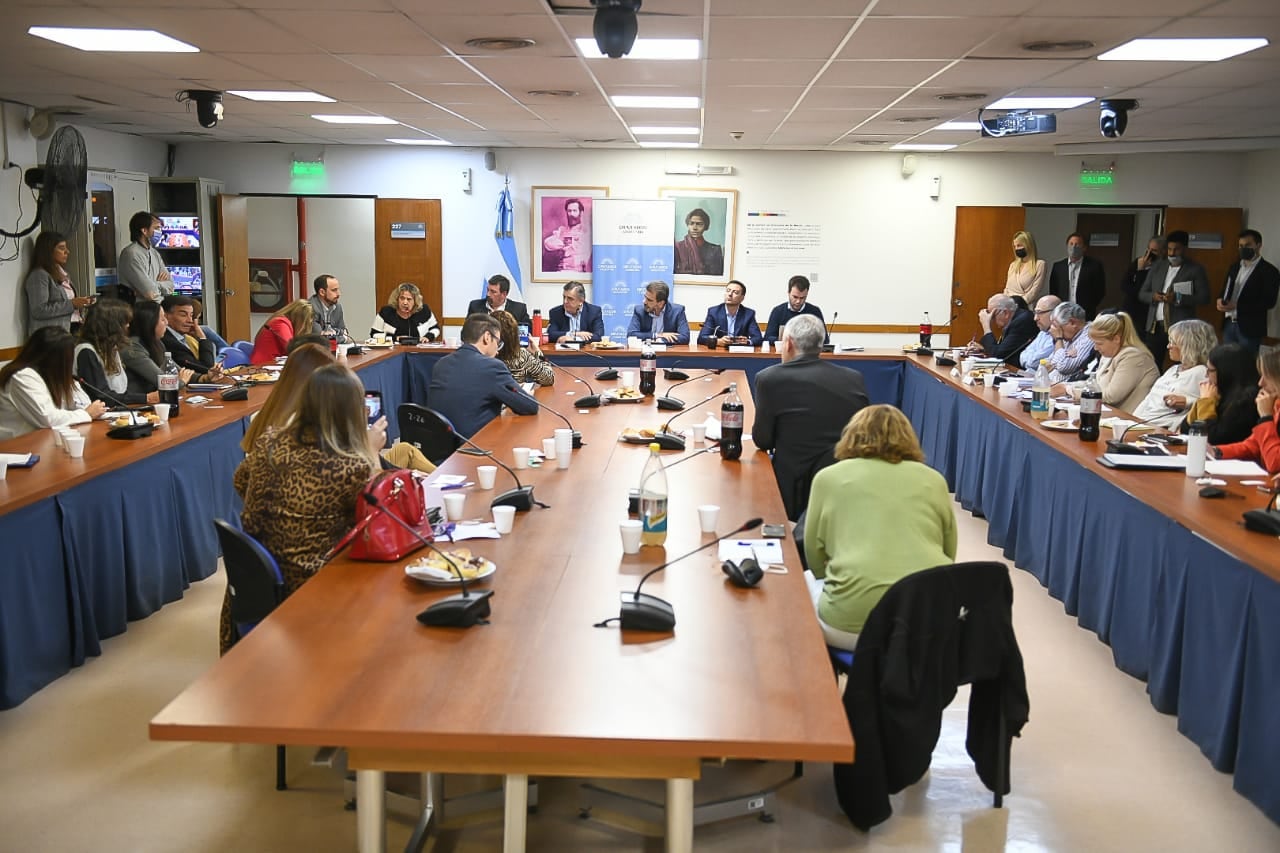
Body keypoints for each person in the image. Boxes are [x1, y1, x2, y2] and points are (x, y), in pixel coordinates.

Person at [220, 363, 386, 654]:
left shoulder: (269, 442)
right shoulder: (349, 465)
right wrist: (372, 454)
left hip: (253, 580)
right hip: (308, 586)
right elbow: (381, 524)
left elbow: (240, 482)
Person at [803, 405, 957, 652]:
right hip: (928, 624)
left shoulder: (828, 478)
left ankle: (821, 685)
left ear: (851, 435)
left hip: (848, 627)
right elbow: (949, 553)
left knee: (803, 585)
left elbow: (813, 556)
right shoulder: (934, 479)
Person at [752, 315, 869, 521]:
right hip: (846, 484)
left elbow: (763, 440)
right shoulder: (854, 378)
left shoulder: (770, 378)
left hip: (794, 490)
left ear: (788, 343)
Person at [427, 313, 539, 438]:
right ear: (487, 337)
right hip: (475, 447)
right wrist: (525, 394)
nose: (498, 350)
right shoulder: (492, 367)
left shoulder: (441, 364)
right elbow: (530, 406)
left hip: (439, 447)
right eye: (498, 342)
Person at [0, 327, 107, 440]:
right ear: (56, 359)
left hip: (42, 442)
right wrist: (86, 414)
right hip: (16, 448)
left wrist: (87, 408)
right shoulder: (22, 376)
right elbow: (48, 418)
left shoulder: (51, 375)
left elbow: (80, 403)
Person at [1060, 311, 1158, 413]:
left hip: (1128, 421)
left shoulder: (1133, 357)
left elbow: (1111, 396)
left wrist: (1071, 391)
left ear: (1116, 339)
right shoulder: (1109, 354)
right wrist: (1066, 386)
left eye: (1099, 343)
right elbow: (1094, 384)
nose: (1096, 348)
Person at [1138, 230, 1210, 369]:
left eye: (1176, 249)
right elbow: (1142, 293)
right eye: (1170, 249)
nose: (1172, 253)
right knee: (1151, 365)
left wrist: (1178, 298)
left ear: (1185, 249)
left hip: (1180, 328)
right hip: (1155, 326)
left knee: (1182, 365)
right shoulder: (1158, 266)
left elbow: (1204, 298)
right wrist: (1154, 296)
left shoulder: (1195, 269)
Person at [1131, 318, 1217, 429]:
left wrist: (1188, 402)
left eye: (1173, 342)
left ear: (1189, 345)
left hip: (1161, 430)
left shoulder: (1201, 372)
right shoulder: (1173, 369)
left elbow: (1212, 402)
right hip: (1139, 425)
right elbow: (1149, 399)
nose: (1168, 346)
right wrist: (1132, 420)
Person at [121, 300, 218, 393]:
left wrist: (206, 377)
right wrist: (182, 381)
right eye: (163, 319)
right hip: (137, 405)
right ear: (149, 322)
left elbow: (178, 371)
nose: (166, 323)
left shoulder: (156, 343)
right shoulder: (133, 348)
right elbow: (164, 382)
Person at [74, 299, 158, 406]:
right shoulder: (86, 352)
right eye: (125, 322)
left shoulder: (110, 347)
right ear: (112, 325)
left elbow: (120, 390)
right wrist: (145, 398)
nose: (128, 326)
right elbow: (101, 396)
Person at [1211, 348, 1280, 476]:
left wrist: (1265, 418)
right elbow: (1252, 446)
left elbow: (1275, 463)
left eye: (1267, 377)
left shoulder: (1267, 408)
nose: (1260, 383)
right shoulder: (1276, 405)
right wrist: (1216, 451)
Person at [1181, 344, 1262, 446]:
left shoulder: (1247, 400)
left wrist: (1206, 402)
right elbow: (1185, 429)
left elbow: (1213, 438)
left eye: (1210, 370)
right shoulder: (1220, 392)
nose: (1206, 375)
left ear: (1225, 372)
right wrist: (1200, 403)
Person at [1216, 229, 1280, 354]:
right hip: (1229, 323)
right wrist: (1220, 299)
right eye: (1240, 246)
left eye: (1248, 245)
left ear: (1258, 245)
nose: (1243, 248)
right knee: (1226, 362)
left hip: (1250, 327)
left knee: (1247, 365)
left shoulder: (1269, 271)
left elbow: (1269, 302)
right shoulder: (1234, 267)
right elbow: (1225, 288)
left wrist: (1237, 306)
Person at [25, 230, 92, 335]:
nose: (67, 252)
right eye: (61, 248)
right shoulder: (39, 275)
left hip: (71, 329)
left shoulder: (63, 274)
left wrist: (80, 303)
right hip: (50, 336)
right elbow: (38, 310)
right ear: (48, 251)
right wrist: (72, 304)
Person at [117, 211, 172, 303]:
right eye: (156, 228)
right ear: (144, 231)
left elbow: (171, 287)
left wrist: (154, 284)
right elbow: (149, 293)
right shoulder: (131, 253)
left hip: (156, 307)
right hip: (140, 310)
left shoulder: (154, 253)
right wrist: (160, 285)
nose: (160, 232)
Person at [1048, 232, 1106, 319]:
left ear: (1084, 248)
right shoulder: (1058, 266)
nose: (1073, 247)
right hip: (1063, 312)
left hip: (1085, 312)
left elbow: (1100, 290)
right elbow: (1053, 289)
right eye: (1071, 244)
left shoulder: (1094, 266)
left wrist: (1090, 305)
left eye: (1077, 244)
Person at [161, 294, 221, 374]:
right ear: (165, 316)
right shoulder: (169, 341)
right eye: (183, 315)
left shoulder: (183, 337)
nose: (190, 320)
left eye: (191, 315)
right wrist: (202, 338)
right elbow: (206, 369)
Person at [493, 310, 554, 386]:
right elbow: (548, 378)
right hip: (515, 396)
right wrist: (537, 352)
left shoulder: (483, 355)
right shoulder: (521, 355)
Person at [971, 294, 1036, 365]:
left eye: (992, 316)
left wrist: (986, 326)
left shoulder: (1022, 321)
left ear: (1006, 313)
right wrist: (983, 349)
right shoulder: (1014, 319)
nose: (991, 320)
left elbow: (998, 355)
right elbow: (1002, 349)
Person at [697, 279, 762, 348]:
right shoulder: (714, 312)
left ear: (742, 298)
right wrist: (718, 341)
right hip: (720, 353)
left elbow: (758, 338)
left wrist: (747, 342)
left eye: (735, 292)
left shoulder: (748, 314)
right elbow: (701, 338)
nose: (730, 294)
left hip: (739, 353)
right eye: (728, 290)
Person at [763, 275, 827, 344]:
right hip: (783, 351)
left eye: (802, 298)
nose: (798, 301)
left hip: (807, 352)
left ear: (807, 294)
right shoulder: (778, 311)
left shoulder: (815, 312)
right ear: (788, 293)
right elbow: (767, 338)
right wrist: (784, 339)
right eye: (795, 297)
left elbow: (825, 339)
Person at [371, 282, 440, 343]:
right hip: (392, 352)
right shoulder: (386, 311)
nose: (405, 302)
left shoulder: (424, 310)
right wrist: (395, 338)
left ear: (415, 301)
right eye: (402, 298)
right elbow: (374, 334)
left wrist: (428, 337)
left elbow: (435, 328)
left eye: (409, 299)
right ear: (397, 299)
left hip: (418, 351)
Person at [625, 281, 690, 345]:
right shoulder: (639, 311)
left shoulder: (677, 311)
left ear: (661, 303)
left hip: (667, 353)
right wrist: (657, 335)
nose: (644, 302)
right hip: (644, 352)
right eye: (645, 297)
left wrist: (660, 340)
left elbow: (685, 337)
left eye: (649, 300)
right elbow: (631, 334)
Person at [1045, 302, 1095, 383]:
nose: (1053, 331)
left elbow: (1063, 367)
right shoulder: (1069, 336)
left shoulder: (1090, 335)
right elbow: (1047, 364)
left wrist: (1058, 338)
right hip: (1051, 385)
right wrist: (1058, 359)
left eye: (1058, 327)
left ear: (1072, 322)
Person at [251, 299, 313, 365]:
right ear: (299, 318)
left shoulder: (283, 321)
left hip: (272, 364)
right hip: (262, 366)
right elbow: (292, 349)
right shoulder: (280, 323)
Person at [1121, 236, 1165, 321]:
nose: (1149, 253)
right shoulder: (1138, 261)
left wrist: (1141, 270)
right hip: (1131, 307)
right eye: (1148, 249)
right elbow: (1124, 285)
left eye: (1154, 251)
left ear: (1162, 252)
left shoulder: (1162, 267)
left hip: (1146, 311)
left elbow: (1144, 290)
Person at [542, 198, 590, 273]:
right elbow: (547, 243)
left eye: (574, 211)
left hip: (577, 272)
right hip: (560, 271)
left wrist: (572, 259)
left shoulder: (586, 232)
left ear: (581, 213)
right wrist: (565, 242)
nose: (571, 214)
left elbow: (584, 256)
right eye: (569, 211)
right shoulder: (562, 230)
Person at [673, 207, 724, 277]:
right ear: (687, 225)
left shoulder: (715, 250)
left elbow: (717, 275)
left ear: (706, 226)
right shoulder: (678, 247)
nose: (694, 228)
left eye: (699, 224)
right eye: (691, 223)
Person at [1005, 230, 1047, 307]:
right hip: (1009, 307)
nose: (1017, 249)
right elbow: (1007, 288)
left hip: (1025, 306)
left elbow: (1035, 291)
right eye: (1015, 246)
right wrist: (1006, 303)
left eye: (1019, 245)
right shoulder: (1013, 265)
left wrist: (1019, 304)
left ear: (1028, 245)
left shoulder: (1039, 264)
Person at [1019, 294, 1062, 371]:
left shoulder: (1059, 335)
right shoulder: (1043, 333)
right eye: (1035, 313)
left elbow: (1034, 363)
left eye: (1040, 313)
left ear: (1055, 313)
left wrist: (1031, 357)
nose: (1035, 318)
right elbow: (1022, 356)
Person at [309, 273, 347, 338]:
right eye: (334, 290)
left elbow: (345, 333)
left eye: (338, 289)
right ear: (322, 292)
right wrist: (341, 337)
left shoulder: (337, 307)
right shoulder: (310, 308)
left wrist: (331, 334)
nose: (339, 294)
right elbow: (319, 339)